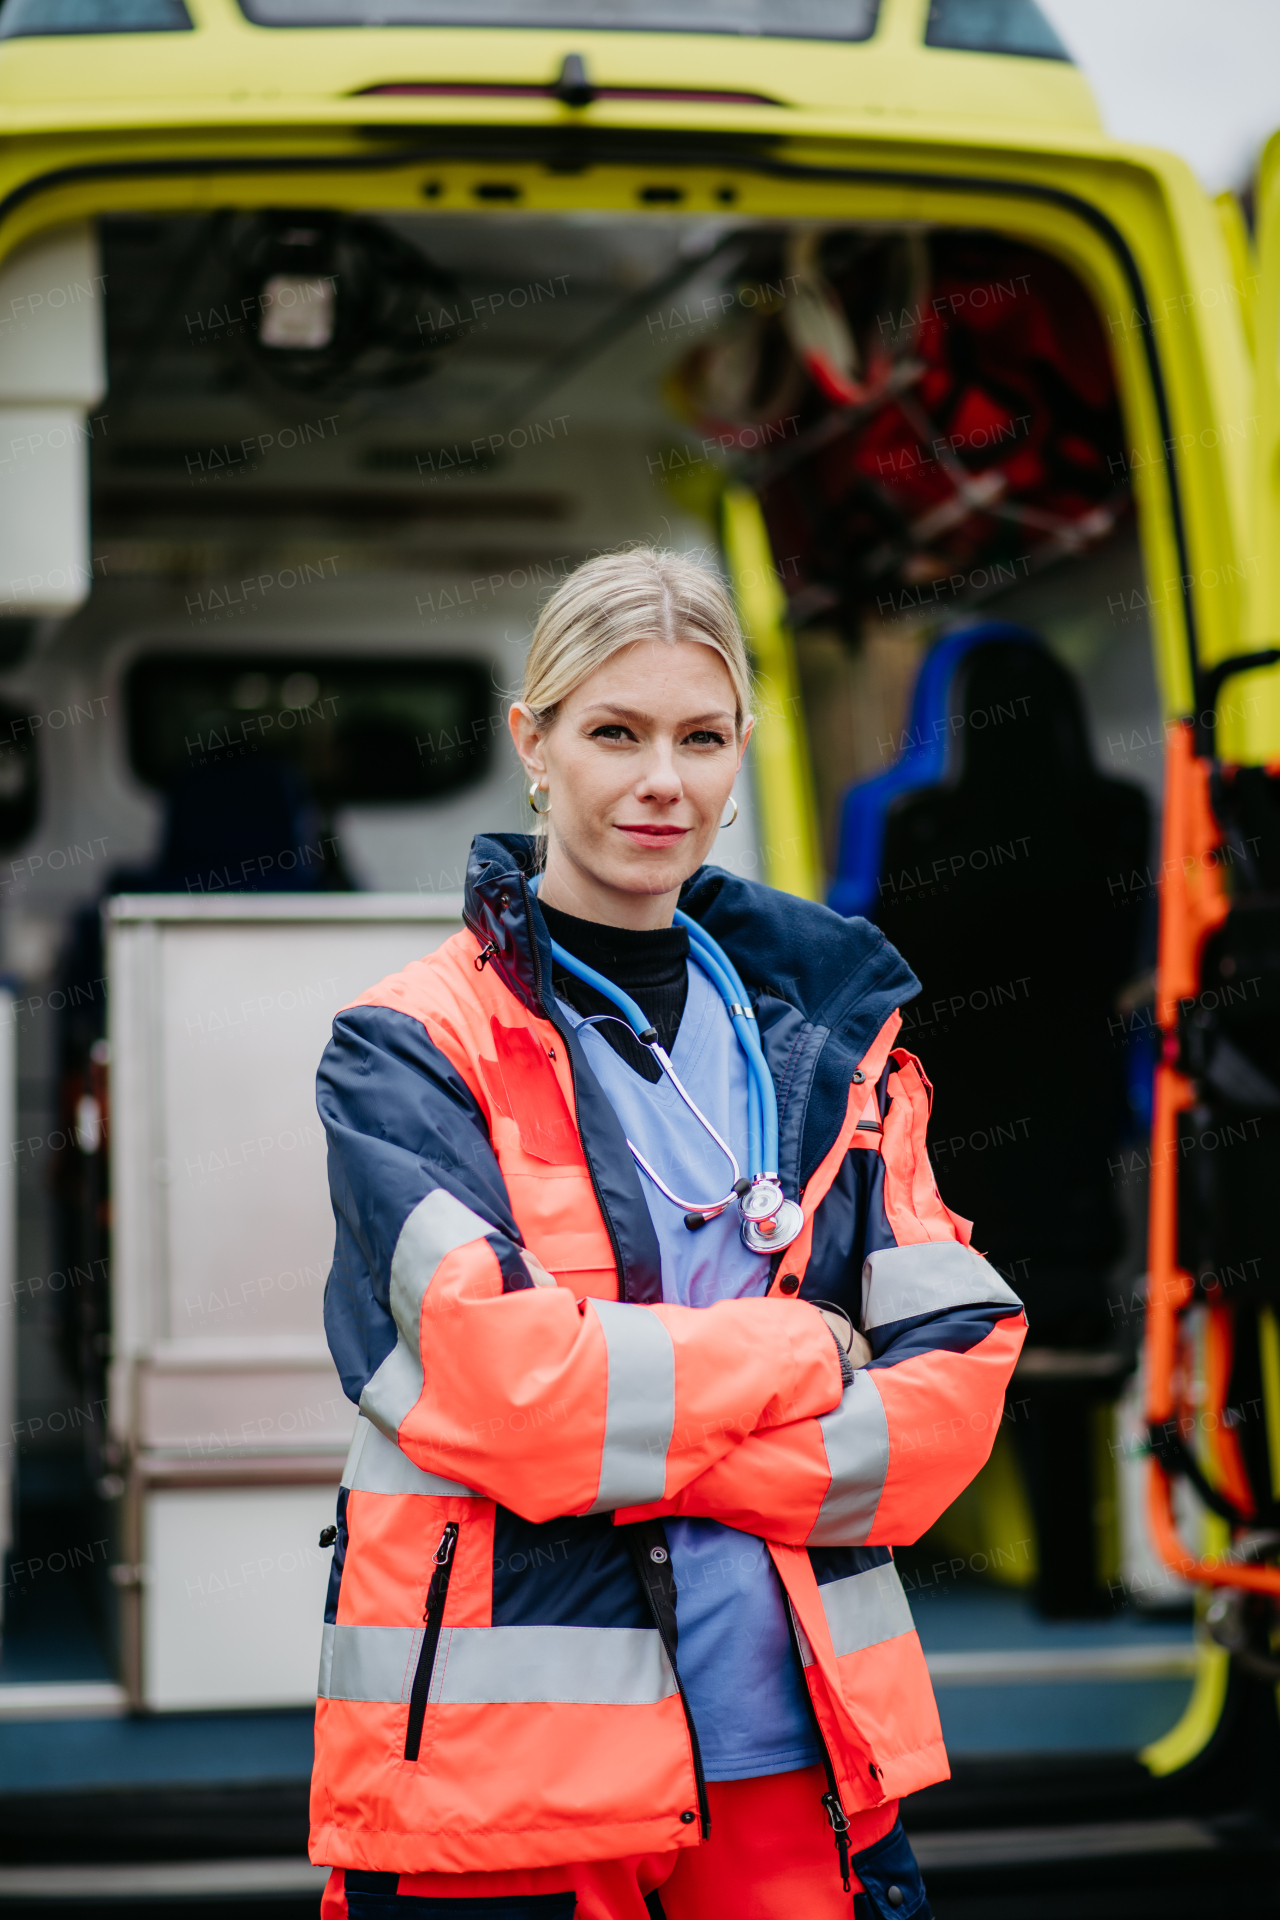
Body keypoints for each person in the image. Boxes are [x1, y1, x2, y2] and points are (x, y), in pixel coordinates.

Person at [311, 547, 1026, 1920]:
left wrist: (651, 1447)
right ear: (533, 744)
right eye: (615, 733)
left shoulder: (838, 1042)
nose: (662, 781)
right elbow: (509, 1395)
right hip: (506, 1773)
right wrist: (791, 1348)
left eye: (701, 738)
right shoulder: (408, 1049)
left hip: (790, 1746)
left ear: (742, 753)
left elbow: (958, 1385)